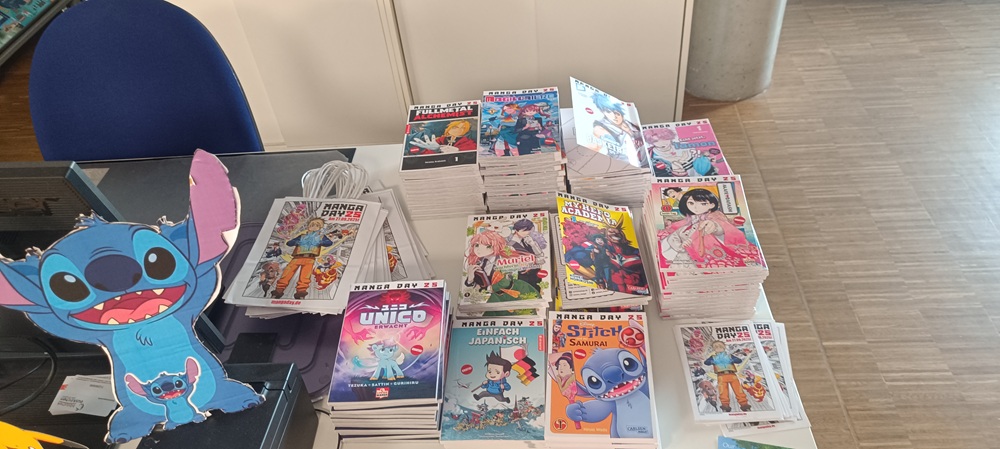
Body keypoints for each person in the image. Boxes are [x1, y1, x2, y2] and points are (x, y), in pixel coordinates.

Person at [658, 188, 760, 269]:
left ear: (712, 204)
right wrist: (670, 224)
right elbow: (682, 224)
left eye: (703, 203)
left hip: (710, 244)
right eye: (691, 203)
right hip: (690, 243)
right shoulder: (691, 217)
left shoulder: (715, 215)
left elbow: (723, 226)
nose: (695, 207)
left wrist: (715, 227)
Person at [271, 217, 334, 299]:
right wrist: (297, 241)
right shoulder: (302, 236)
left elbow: (329, 243)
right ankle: (278, 290)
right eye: (312, 225)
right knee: (287, 274)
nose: (314, 227)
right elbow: (290, 243)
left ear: (320, 228)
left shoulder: (321, 237)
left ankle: (301, 293)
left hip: (310, 259)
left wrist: (320, 241)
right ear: (308, 226)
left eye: (317, 225)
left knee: (305, 276)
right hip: (297, 258)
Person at [703, 340, 751, 412]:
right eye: (716, 347)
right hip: (721, 375)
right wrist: (713, 361)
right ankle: (725, 407)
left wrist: (732, 359)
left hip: (731, 375)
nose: (718, 349)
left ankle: (745, 405)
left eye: (720, 347)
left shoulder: (729, 356)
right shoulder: (713, 357)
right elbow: (706, 362)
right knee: (723, 392)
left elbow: (739, 361)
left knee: (738, 391)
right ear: (714, 349)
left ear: (724, 347)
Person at [408, 120, 477, 154]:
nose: (459, 130)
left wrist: (458, 150)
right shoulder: (439, 140)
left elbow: (473, 149)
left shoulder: (467, 141)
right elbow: (425, 154)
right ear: (449, 129)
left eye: (463, 128)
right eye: (455, 127)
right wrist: (436, 150)